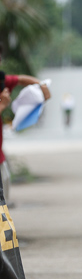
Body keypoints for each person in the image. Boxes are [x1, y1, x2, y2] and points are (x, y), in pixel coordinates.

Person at [0, 44, 51, 202]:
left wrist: (41, 86)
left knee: (5, 186)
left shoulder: (1, 79)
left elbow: (20, 79)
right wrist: (2, 105)